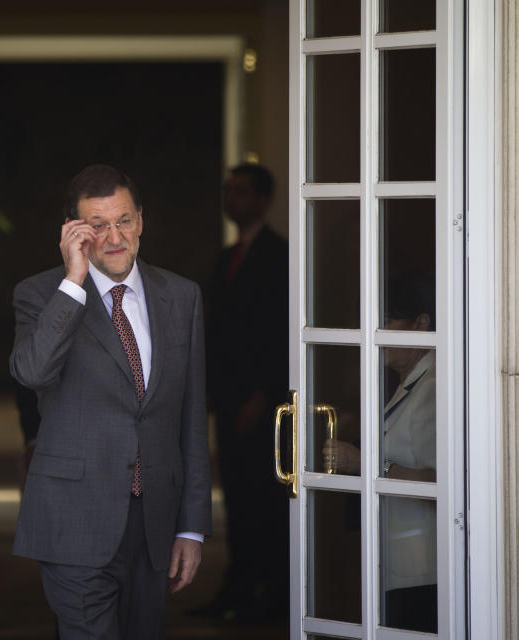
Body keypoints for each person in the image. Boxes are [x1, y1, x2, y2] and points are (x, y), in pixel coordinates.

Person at [9, 164, 212, 639]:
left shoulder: (182, 297)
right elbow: (32, 371)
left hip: (155, 525)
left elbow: (191, 420)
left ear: (140, 220)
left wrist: (192, 527)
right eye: (97, 226)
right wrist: (74, 280)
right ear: (74, 232)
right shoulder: (41, 295)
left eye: (123, 220)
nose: (114, 237)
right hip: (73, 520)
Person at [192, 163, 289, 623]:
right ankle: (237, 587)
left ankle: (269, 595)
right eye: (228, 191)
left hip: (261, 402)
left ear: (264, 200)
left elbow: (280, 334)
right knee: (234, 496)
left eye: (242, 192)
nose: (233, 200)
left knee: (263, 499)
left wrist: (262, 395)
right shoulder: (225, 256)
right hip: (228, 399)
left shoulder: (279, 255)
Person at [322, 273, 437, 633]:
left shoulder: (433, 388)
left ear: (420, 325)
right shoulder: (410, 382)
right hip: (401, 560)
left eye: (385, 322)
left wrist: (363, 463)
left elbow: (440, 483)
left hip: (421, 564)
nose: (376, 331)